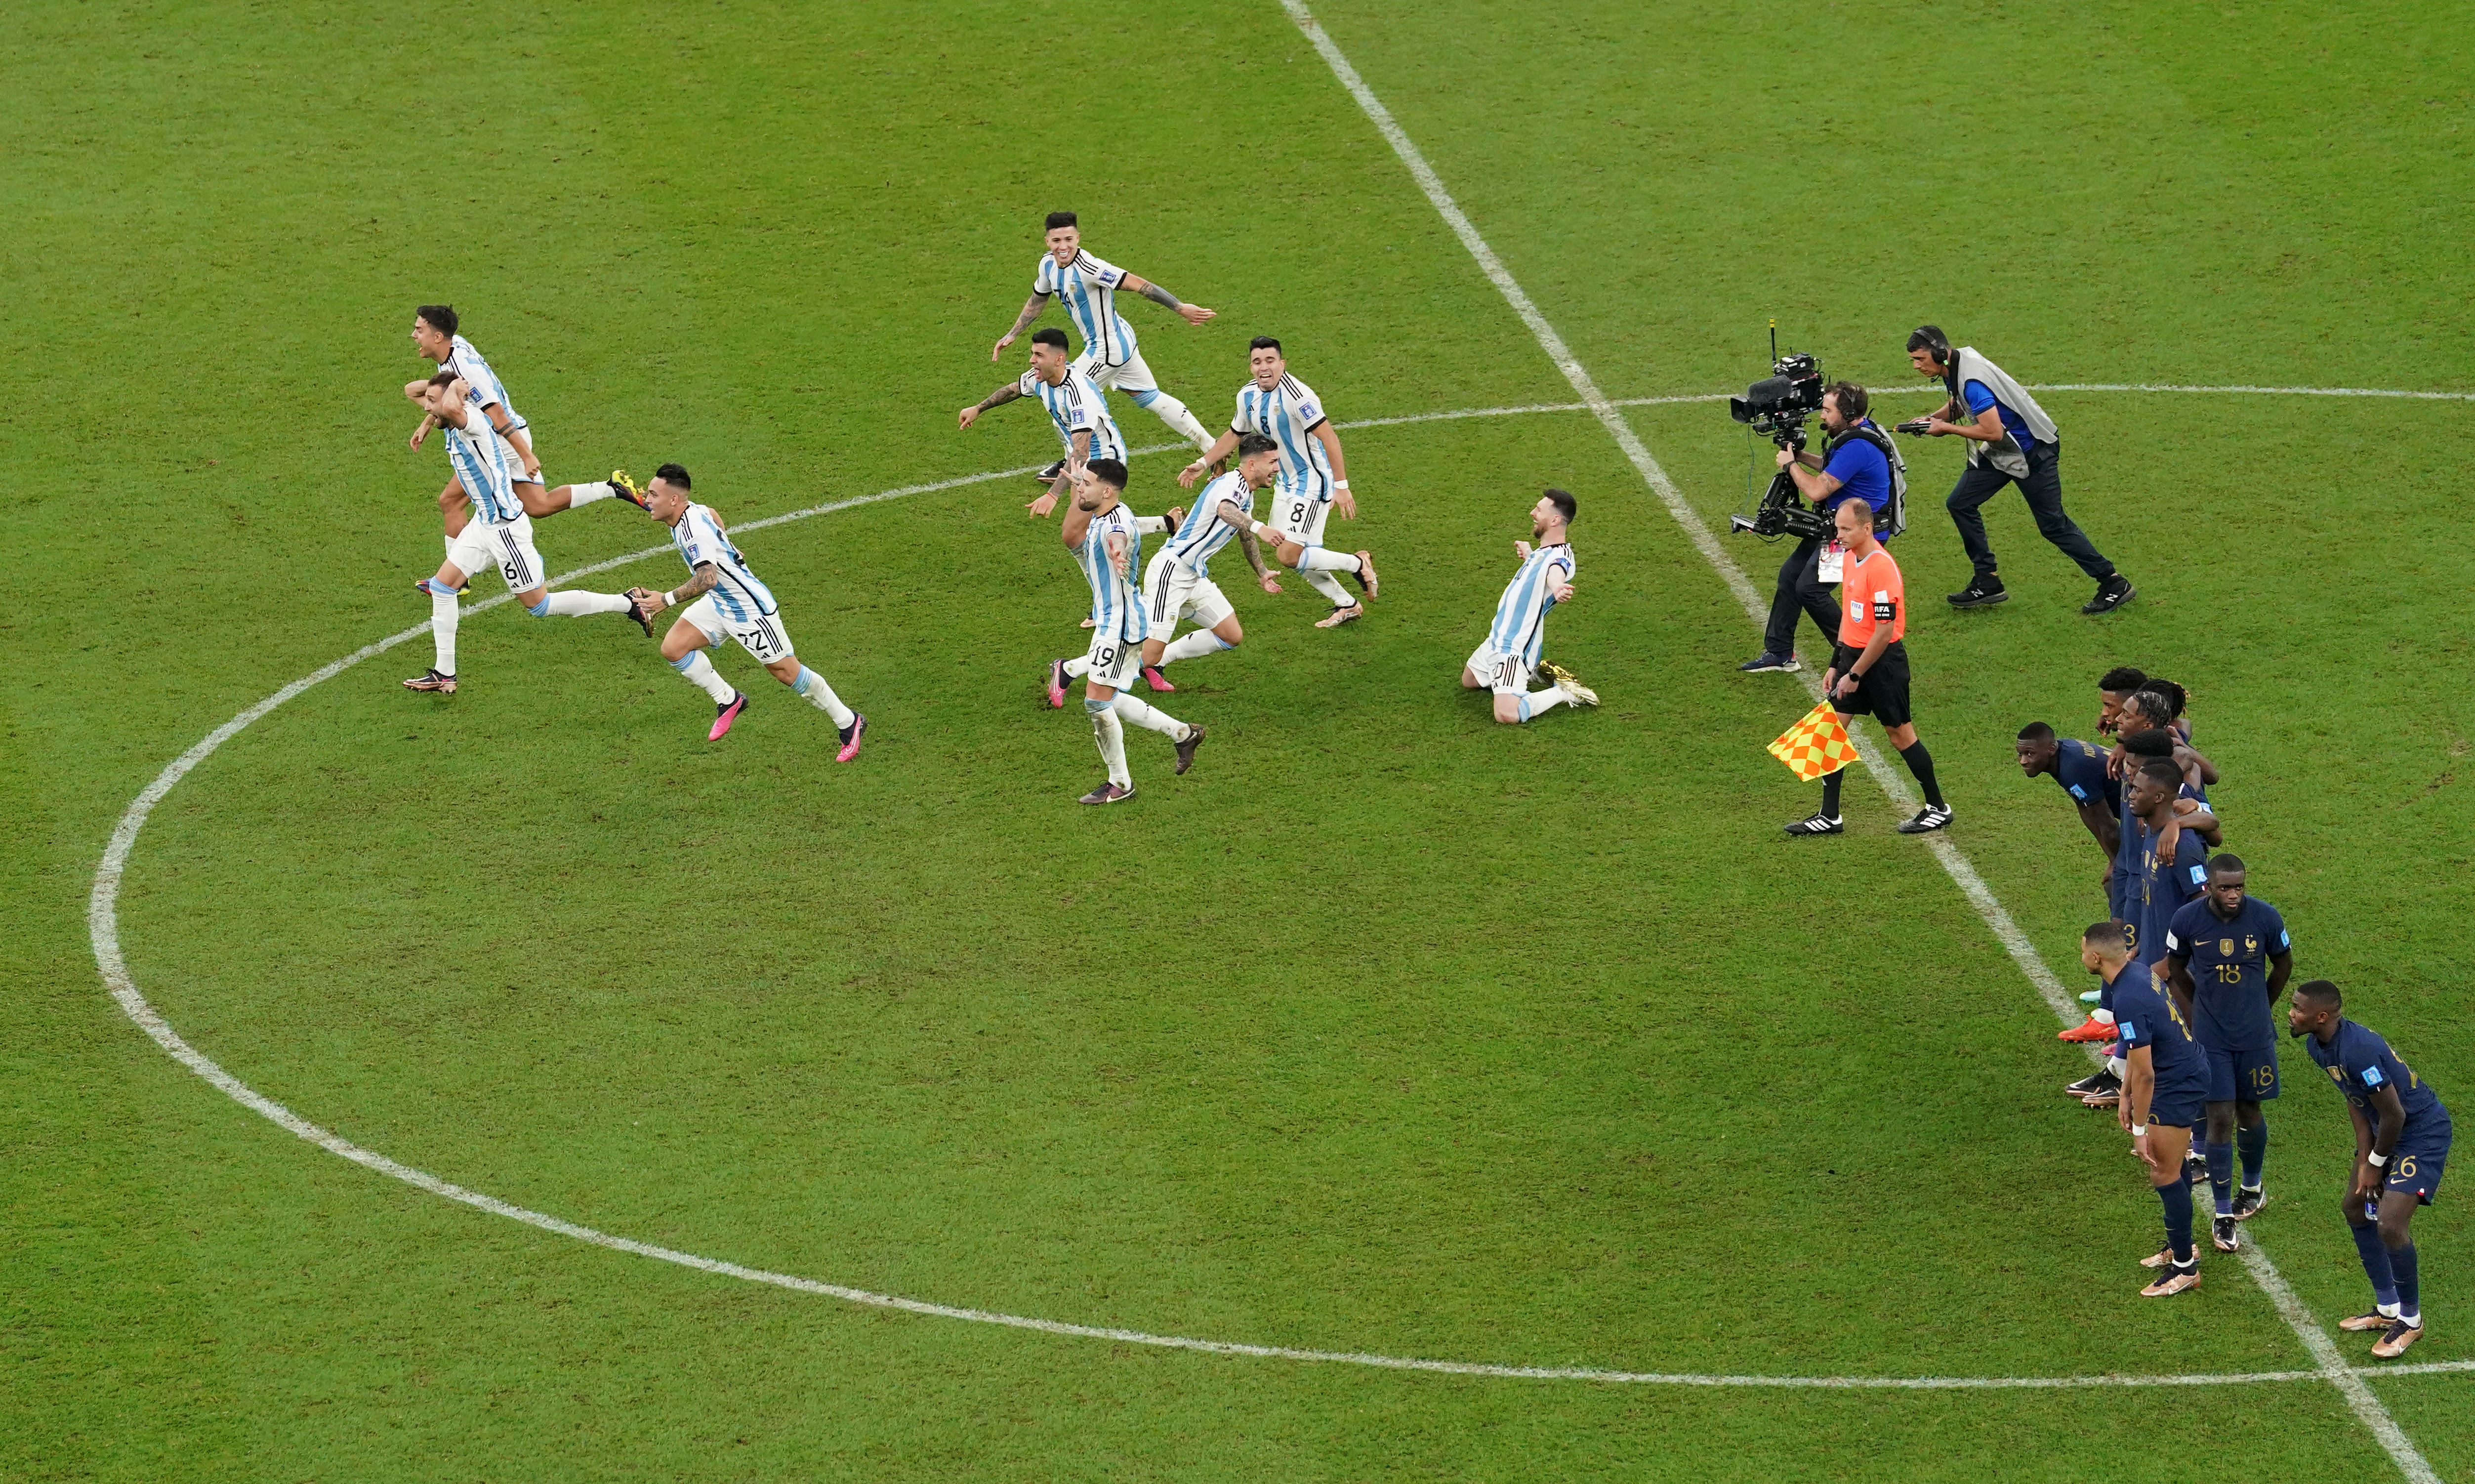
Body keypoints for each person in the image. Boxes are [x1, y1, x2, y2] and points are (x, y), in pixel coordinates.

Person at [399, 373, 646, 695]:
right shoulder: (451, 415)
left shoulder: (471, 421)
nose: (428, 408)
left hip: (505, 531)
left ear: (455, 403)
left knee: (540, 606)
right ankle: (445, 674)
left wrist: (460, 386)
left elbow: (447, 403)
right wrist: (434, 410)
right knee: (443, 588)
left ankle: (628, 603)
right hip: (483, 524)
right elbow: (413, 391)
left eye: (434, 403)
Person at [622, 464, 865, 758]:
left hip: (748, 610)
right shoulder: (690, 511)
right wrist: (727, 545)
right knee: (674, 648)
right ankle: (729, 700)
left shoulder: (692, 533)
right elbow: (711, 512)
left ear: (674, 500)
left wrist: (666, 600)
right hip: (720, 601)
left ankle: (849, 722)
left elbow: (707, 578)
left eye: (653, 494)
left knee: (786, 672)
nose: (647, 499)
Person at [1902, 325, 2134, 615]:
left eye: (1920, 359)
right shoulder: (1957, 364)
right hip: (2005, 452)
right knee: (1960, 503)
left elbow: (1993, 431)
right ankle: (1987, 580)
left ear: (1939, 354)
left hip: (2031, 453)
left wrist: (1944, 428)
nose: (1916, 366)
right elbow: (1962, 403)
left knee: (2054, 526)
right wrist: (1930, 418)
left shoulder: (1972, 380)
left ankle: (2113, 583)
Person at [2290, 979, 2453, 1358]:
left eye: (2298, 1008)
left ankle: (2411, 1321)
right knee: (2354, 1206)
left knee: (2391, 1224)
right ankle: (2387, 1308)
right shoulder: (2319, 1045)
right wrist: (2365, 1160)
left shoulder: (2358, 1051)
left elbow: (2395, 1114)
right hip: (2386, 1129)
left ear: (2322, 1015)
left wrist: (2376, 1164)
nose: (2291, 1014)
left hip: (2421, 1132)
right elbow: (2357, 1101)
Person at [1178, 337, 1374, 629]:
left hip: (1311, 481)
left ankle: (1358, 564)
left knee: (1288, 554)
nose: (1264, 367)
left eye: (1270, 361)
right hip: (1284, 481)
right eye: (1258, 362)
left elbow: (1329, 438)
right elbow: (1235, 434)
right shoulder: (1246, 396)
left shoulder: (1299, 397)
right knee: (1300, 555)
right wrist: (1203, 463)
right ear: (1251, 367)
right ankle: (1347, 604)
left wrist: (1342, 486)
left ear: (1282, 364)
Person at [989, 211, 1216, 462]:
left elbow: (1138, 283)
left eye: (1069, 239)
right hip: (1120, 340)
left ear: (1078, 238)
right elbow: (1038, 299)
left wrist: (1180, 307)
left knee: (1065, 398)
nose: (1063, 247)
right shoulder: (1048, 265)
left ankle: (1071, 466)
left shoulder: (1090, 268)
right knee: (1150, 397)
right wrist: (1013, 333)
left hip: (1106, 350)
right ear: (1047, 242)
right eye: (1057, 241)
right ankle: (1213, 448)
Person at [1784, 498, 1949, 836]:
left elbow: (1884, 631)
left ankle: (1938, 807)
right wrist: (1836, 664)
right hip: (1853, 658)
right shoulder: (1848, 560)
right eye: (1838, 527)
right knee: (1830, 730)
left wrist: (1856, 674)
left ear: (1866, 528)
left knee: (1900, 736)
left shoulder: (1882, 568)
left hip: (1883, 665)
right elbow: (1849, 617)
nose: (1839, 534)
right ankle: (1830, 816)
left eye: (1846, 529)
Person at [406, 305, 639, 540]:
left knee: (451, 502)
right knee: (539, 505)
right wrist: (427, 423)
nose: (414, 335)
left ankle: (454, 577)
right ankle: (612, 487)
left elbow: (498, 417)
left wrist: (526, 455)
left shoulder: (465, 370)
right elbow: (455, 396)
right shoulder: (454, 347)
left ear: (438, 337)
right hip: (511, 436)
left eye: (419, 330)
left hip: (501, 442)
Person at [2162, 854, 2291, 1250]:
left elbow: (2283, 964)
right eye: (2225, 888)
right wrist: (2200, 1002)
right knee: (2219, 1118)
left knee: (2250, 1111)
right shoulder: (2186, 920)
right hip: (2212, 1038)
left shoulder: (2266, 917)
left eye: (2239, 887)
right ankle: (2223, 1213)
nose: (2233, 895)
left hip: (2254, 1036)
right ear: (2210, 887)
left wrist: (2260, 1005)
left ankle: (2252, 1189)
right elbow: (2174, 965)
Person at [1059, 459, 1204, 803]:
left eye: (1088, 484)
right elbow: (1115, 524)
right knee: (1105, 697)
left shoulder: (1116, 522)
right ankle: (1182, 733)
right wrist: (1081, 480)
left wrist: (1118, 551)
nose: (1080, 488)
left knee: (1096, 701)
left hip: (1120, 626)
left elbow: (1118, 536)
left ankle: (1120, 784)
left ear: (1107, 491)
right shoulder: (1108, 511)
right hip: (1117, 619)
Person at [1738, 381, 1901, 674]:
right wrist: (1799, 457)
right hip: (1840, 529)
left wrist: (1790, 466)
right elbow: (1831, 470)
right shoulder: (1855, 435)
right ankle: (1779, 652)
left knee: (1810, 589)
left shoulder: (1857, 447)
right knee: (1791, 577)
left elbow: (1817, 491)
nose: (1821, 416)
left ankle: (1855, 654)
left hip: (1854, 537)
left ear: (1847, 413)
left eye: (1827, 410)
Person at [2084, 922, 2209, 1297]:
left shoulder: (2128, 998)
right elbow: (2140, 1053)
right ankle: (2182, 1245)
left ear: (2096, 957)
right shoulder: (2137, 974)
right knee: (2173, 1164)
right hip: (2185, 1069)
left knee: (2162, 1170)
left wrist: (2140, 1131)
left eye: (2082, 950)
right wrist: (2124, 1094)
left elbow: (2148, 1074)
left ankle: (2185, 1268)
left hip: (2175, 1082)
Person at [1129, 432, 1282, 694]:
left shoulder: (1245, 490)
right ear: (1252, 465)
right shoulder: (1232, 486)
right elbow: (1226, 510)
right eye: (1272, 462)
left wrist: (1262, 571)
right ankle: (1069, 669)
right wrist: (1261, 528)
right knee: (1148, 652)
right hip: (1172, 572)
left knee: (1231, 635)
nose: (1277, 468)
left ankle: (1158, 664)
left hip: (1192, 575)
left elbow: (1243, 532)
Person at [958, 329, 1128, 521]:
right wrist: (978, 409)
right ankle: (1162, 523)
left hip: (1104, 461)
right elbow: (1014, 390)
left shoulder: (1079, 394)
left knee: (1080, 530)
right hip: (1080, 459)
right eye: (1033, 353)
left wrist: (1052, 495)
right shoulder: (1039, 377)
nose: (1032, 360)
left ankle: (1159, 524)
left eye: (1039, 355)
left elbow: (1082, 451)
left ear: (1059, 359)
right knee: (1079, 532)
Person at [1461, 490, 1597, 724]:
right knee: (1470, 681)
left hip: (1514, 646)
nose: (1532, 513)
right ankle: (1534, 671)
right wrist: (1530, 555)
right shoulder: (1545, 552)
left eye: (1539, 510)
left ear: (1555, 520)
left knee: (1507, 715)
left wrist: (1557, 588)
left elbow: (1556, 572)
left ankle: (1565, 691)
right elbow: (1542, 567)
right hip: (1497, 638)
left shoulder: (1561, 558)